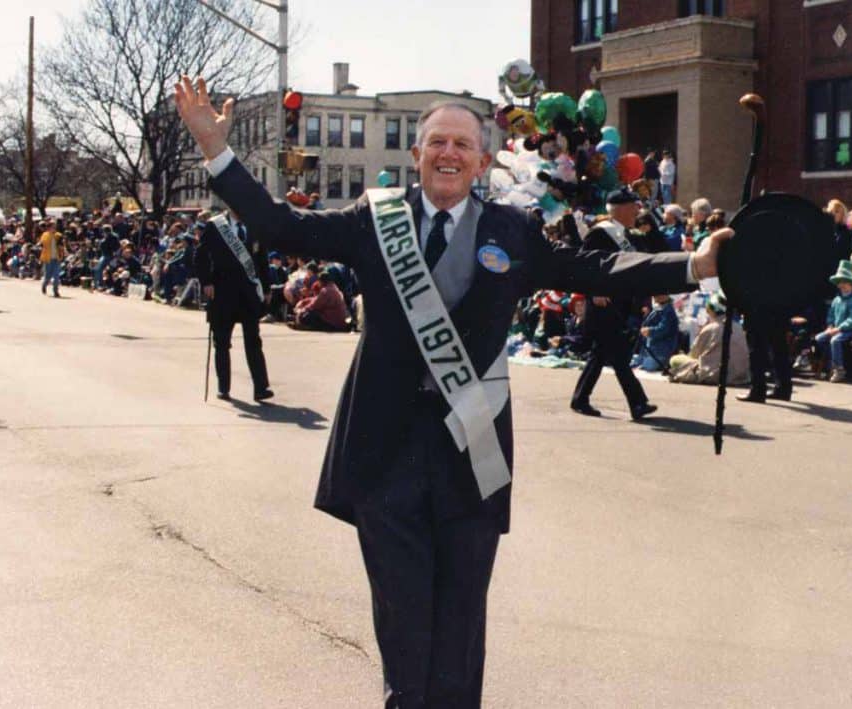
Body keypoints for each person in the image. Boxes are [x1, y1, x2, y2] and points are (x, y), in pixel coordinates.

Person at [174, 76, 730, 707]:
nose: (448, 152)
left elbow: (591, 269)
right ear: (417, 157)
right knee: (407, 642)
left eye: (462, 144)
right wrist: (216, 150)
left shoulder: (513, 229)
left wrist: (694, 266)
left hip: (474, 454)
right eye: (436, 141)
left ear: (483, 161)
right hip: (386, 459)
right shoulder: (373, 218)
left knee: (461, 636)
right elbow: (281, 226)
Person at [569, 189, 666, 420]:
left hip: (621, 305)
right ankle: (638, 403)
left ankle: (580, 398)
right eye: (633, 206)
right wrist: (594, 292)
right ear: (620, 208)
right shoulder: (600, 234)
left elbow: (644, 263)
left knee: (601, 354)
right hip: (603, 304)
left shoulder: (631, 236)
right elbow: (585, 266)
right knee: (618, 356)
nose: (637, 211)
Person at [194, 209, 273, 402]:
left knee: (253, 341)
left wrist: (267, 287)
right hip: (222, 292)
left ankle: (261, 388)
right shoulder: (216, 225)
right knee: (221, 342)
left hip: (248, 294)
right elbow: (201, 255)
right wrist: (206, 282)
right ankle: (224, 387)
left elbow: (262, 259)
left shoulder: (254, 225)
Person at [669, 291, 749, 386]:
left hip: (713, 373)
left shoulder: (710, 328)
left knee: (675, 359)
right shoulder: (739, 328)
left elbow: (694, 354)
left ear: (711, 310)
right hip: (739, 376)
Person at [814, 260, 852, 383]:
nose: (842, 285)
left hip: (850, 330)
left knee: (835, 340)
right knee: (819, 338)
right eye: (840, 282)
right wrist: (830, 326)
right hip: (835, 328)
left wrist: (839, 328)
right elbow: (831, 315)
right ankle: (828, 363)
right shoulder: (837, 299)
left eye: (845, 282)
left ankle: (839, 369)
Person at [631, 294, 677, 372]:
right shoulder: (658, 308)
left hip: (660, 351)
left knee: (648, 366)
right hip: (649, 348)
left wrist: (649, 331)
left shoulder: (668, 311)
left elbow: (663, 329)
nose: (654, 296)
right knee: (633, 362)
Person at [39, 220, 66, 297]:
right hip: (48, 258)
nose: (54, 228)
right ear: (49, 228)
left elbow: (62, 245)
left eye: (55, 227)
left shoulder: (58, 235)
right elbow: (42, 243)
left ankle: (55, 291)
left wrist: (63, 249)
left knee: (56, 275)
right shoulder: (45, 235)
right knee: (48, 276)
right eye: (52, 227)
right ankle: (44, 285)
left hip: (57, 258)